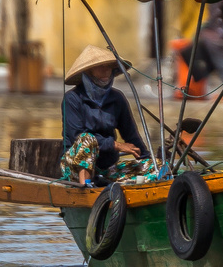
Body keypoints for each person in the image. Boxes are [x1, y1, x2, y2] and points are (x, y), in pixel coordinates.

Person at [59, 45, 161, 186]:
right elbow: (76, 135)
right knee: (87, 139)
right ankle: (86, 188)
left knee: (156, 166)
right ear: (88, 71)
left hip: (107, 169)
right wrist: (115, 145)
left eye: (108, 66)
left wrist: (147, 159)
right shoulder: (72, 98)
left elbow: (131, 135)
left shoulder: (117, 98)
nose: (106, 70)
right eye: (100, 66)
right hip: (75, 168)